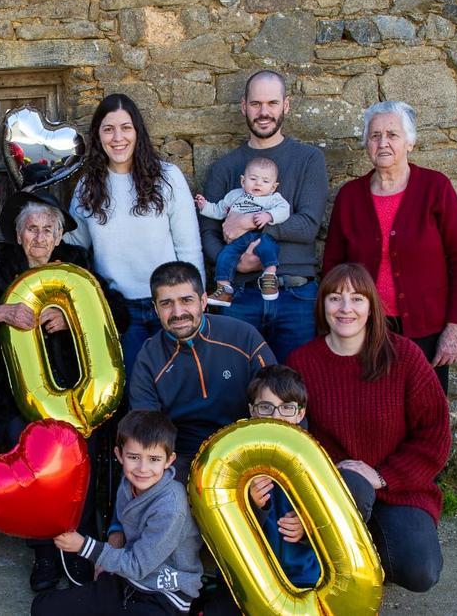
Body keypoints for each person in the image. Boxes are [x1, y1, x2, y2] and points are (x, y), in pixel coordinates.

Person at [0, 165, 127, 592]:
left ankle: (78, 545)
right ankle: (48, 552)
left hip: (77, 393)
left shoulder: (77, 268)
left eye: (48, 229)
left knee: (85, 443)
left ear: (60, 237)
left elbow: (118, 313)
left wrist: (71, 316)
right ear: (19, 234)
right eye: (31, 229)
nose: (40, 237)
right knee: (39, 447)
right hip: (9, 395)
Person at [287, 263, 451, 592]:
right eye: (335, 298)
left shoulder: (404, 356)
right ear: (322, 306)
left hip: (398, 491)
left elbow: (435, 435)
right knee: (353, 484)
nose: (345, 308)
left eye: (357, 299)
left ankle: (371, 548)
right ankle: (345, 579)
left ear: (371, 307)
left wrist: (382, 476)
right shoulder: (302, 363)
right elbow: (291, 437)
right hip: (334, 492)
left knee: (420, 572)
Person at [323, 100, 457, 392]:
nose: (383, 143)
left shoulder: (435, 188)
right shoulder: (350, 197)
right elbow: (333, 268)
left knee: (424, 413)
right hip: (364, 331)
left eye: (392, 135)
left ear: (410, 142)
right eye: (375, 135)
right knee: (371, 412)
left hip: (426, 331)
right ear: (366, 143)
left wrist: (455, 329)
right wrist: (334, 326)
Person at [65, 93, 203, 376]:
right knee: (134, 393)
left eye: (126, 127)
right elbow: (73, 248)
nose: (118, 137)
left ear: (137, 132)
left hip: (170, 306)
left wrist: (195, 303)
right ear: (98, 135)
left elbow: (189, 247)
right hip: (120, 313)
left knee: (179, 386)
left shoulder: (167, 177)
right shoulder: (87, 187)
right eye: (108, 129)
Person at [200, 70, 328, 363]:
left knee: (295, 391)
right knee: (236, 388)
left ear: (286, 105)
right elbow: (207, 233)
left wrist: (250, 222)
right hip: (239, 297)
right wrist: (234, 261)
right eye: (256, 104)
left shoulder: (308, 159)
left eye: (272, 103)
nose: (264, 112)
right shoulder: (226, 167)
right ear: (244, 106)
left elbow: (308, 225)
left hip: (295, 297)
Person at [32, 410, 203, 615]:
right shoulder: (129, 481)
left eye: (154, 459)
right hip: (126, 581)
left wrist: (85, 547)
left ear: (169, 460)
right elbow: (123, 524)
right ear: (119, 455)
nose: (142, 468)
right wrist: (109, 557)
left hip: (164, 594)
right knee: (42, 608)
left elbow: (138, 566)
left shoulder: (171, 507)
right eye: (133, 457)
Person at [128, 261, 275, 481]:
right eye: (166, 303)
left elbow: (281, 397)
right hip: (181, 461)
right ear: (156, 308)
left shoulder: (243, 335)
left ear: (204, 301)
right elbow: (146, 432)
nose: (178, 312)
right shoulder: (148, 358)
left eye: (186, 300)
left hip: (246, 451)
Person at [244, 365, 321, 590]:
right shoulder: (240, 458)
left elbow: (330, 517)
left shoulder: (314, 459)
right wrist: (252, 504)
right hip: (254, 574)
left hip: (305, 576)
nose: (276, 417)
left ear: (300, 413)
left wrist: (308, 525)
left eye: (286, 408)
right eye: (266, 407)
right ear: (252, 410)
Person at [194, 156, 291, 307]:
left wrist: (269, 215)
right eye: (253, 179)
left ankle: (270, 276)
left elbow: (284, 210)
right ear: (243, 180)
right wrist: (205, 206)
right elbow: (219, 210)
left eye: (265, 181)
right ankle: (224, 288)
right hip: (237, 240)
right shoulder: (234, 195)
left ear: (273, 187)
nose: (258, 183)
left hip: (260, 235)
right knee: (225, 256)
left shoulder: (273, 199)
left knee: (268, 247)